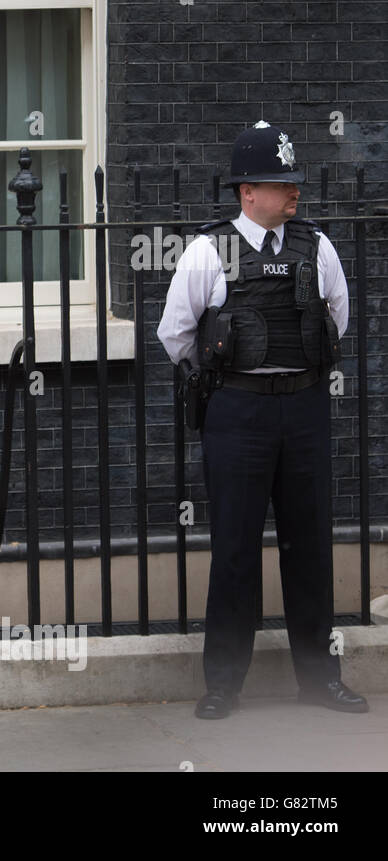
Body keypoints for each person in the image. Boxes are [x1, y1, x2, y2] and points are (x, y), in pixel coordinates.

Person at [157, 121, 368, 719]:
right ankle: (223, 684)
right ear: (248, 190)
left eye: (294, 181)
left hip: (303, 407)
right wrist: (236, 379)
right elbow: (176, 335)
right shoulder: (207, 250)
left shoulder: (316, 246)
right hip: (238, 411)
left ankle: (320, 679)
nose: (294, 192)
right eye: (281, 183)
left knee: (311, 547)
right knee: (235, 550)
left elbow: (338, 320)